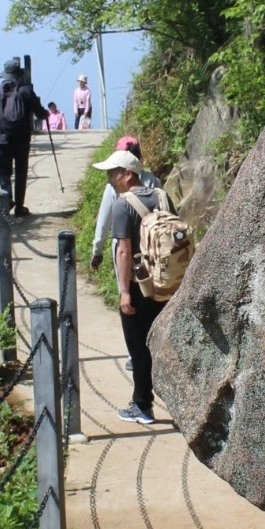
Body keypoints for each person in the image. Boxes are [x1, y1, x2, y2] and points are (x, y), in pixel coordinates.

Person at [93, 146, 167, 425]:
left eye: (113, 174)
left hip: (138, 285)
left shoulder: (123, 204)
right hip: (164, 282)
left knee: (138, 348)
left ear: (127, 174)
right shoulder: (161, 195)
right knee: (157, 343)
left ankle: (142, 405)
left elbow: (123, 250)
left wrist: (124, 292)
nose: (110, 179)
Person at [0, 56, 46, 215]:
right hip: (22, 137)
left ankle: (6, 200)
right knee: (21, 171)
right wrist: (45, 113)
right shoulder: (26, 90)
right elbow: (39, 112)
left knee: (3, 171)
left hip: (3, 137)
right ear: (19, 74)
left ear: (5, 75)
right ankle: (19, 207)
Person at [90, 136, 159, 271]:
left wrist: (97, 252)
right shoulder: (154, 182)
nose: (109, 180)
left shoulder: (114, 188)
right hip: (154, 249)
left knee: (127, 291)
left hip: (125, 254)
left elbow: (103, 223)